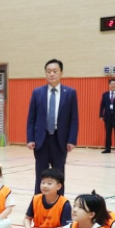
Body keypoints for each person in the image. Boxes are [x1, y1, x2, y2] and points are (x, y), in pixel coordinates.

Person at [26, 59, 79, 195]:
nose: (51, 74)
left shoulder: (70, 93)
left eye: (55, 71)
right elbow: (31, 118)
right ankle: (38, 205)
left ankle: (60, 206)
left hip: (60, 141)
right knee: (41, 175)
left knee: (59, 175)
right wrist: (30, 138)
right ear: (45, 74)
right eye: (48, 71)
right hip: (41, 141)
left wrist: (72, 140)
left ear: (61, 73)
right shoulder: (37, 92)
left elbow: (74, 119)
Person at [7, 168, 71, 228]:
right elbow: (27, 218)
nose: (45, 186)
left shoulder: (64, 204)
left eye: (49, 183)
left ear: (59, 186)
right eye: (43, 182)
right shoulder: (36, 198)